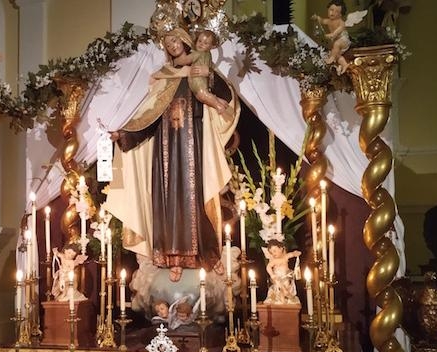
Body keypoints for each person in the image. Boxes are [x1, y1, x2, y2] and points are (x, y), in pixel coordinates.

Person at [104, 26, 240, 284]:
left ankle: (206, 255)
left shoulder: (199, 67)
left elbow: (223, 96)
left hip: (193, 146)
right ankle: (172, 258)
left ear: (186, 42)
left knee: (196, 199)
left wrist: (209, 75)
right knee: (167, 204)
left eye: (176, 39)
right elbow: (147, 118)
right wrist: (123, 135)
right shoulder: (163, 78)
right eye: (168, 42)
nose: (173, 44)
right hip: (164, 151)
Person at [151, 30, 231, 120]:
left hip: (197, 118)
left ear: (182, 39)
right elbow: (156, 105)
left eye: (174, 41)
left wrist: (209, 73)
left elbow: (227, 94)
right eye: (168, 46)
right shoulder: (166, 71)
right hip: (173, 121)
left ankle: (216, 102)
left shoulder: (200, 60)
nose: (173, 47)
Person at [312, 0, 368, 75]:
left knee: (336, 45)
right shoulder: (329, 21)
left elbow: (334, 34)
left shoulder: (341, 23)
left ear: (341, 14)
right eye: (331, 10)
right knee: (337, 55)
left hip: (344, 41)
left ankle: (331, 59)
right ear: (328, 9)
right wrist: (317, 18)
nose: (333, 13)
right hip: (337, 42)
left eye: (336, 11)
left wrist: (324, 36)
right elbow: (322, 21)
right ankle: (344, 64)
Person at [262, 240, 301, 305]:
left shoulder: (285, 257)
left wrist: (295, 253)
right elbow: (268, 267)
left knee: (286, 283)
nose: (273, 254)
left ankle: (286, 297)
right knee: (278, 284)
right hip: (277, 277)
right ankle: (282, 298)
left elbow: (292, 254)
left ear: (281, 248)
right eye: (271, 253)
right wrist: (272, 274)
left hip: (285, 276)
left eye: (275, 251)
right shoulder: (274, 261)